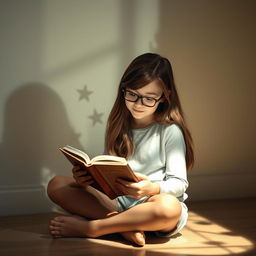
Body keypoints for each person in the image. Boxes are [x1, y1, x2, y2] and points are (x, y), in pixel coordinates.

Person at [47, 53, 194, 246]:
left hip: (153, 205)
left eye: (149, 98)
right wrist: (86, 181)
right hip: (117, 203)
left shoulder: (170, 131)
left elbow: (179, 183)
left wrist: (153, 188)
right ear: (124, 89)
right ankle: (125, 227)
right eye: (132, 94)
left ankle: (94, 228)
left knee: (169, 208)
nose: (138, 104)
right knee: (56, 184)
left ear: (165, 97)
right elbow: (110, 173)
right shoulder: (118, 124)